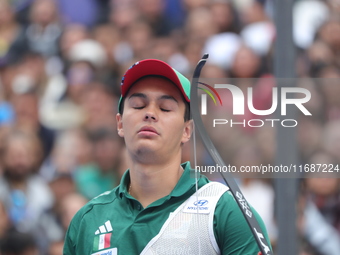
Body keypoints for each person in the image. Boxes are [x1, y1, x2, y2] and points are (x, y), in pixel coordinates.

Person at [63, 59, 271, 254]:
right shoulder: (87, 220)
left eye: (165, 108)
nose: (150, 113)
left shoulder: (225, 211)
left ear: (186, 131)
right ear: (120, 124)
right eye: (138, 105)